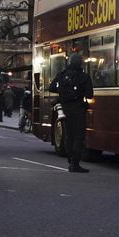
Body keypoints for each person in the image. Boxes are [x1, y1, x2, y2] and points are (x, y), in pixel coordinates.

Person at [49, 45, 95, 173]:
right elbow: (90, 94)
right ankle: (75, 163)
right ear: (80, 63)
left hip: (64, 108)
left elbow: (51, 87)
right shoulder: (84, 76)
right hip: (78, 108)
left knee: (68, 135)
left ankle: (70, 159)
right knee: (79, 136)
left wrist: (62, 91)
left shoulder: (62, 74)